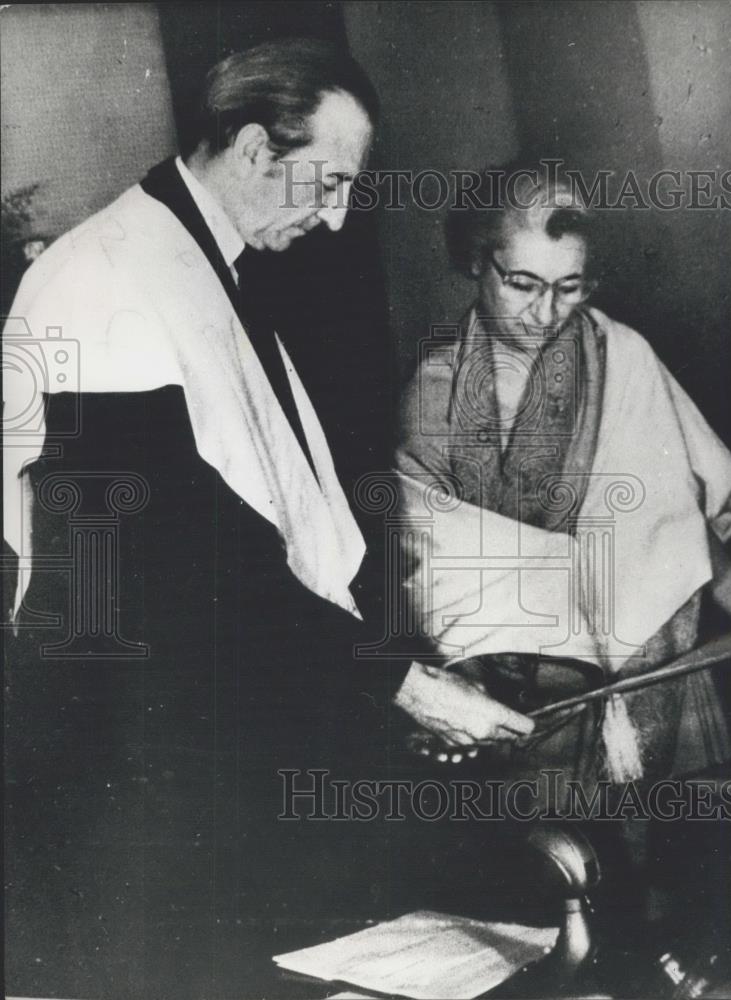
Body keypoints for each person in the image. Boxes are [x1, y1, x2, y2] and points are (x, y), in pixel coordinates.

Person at [2, 39, 520, 999]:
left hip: (196, 709)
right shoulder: (107, 277)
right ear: (249, 149)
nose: (334, 216)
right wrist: (391, 683)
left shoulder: (200, 257)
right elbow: (182, 556)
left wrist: (379, 683)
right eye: (324, 182)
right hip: (131, 752)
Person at [395, 162, 731, 804]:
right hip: (531, 696)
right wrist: (460, 689)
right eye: (523, 284)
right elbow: (435, 564)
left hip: (661, 667)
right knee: (564, 874)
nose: (545, 312)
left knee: (679, 862)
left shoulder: (625, 354)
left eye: (570, 287)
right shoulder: (435, 394)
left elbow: (678, 509)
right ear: (477, 262)